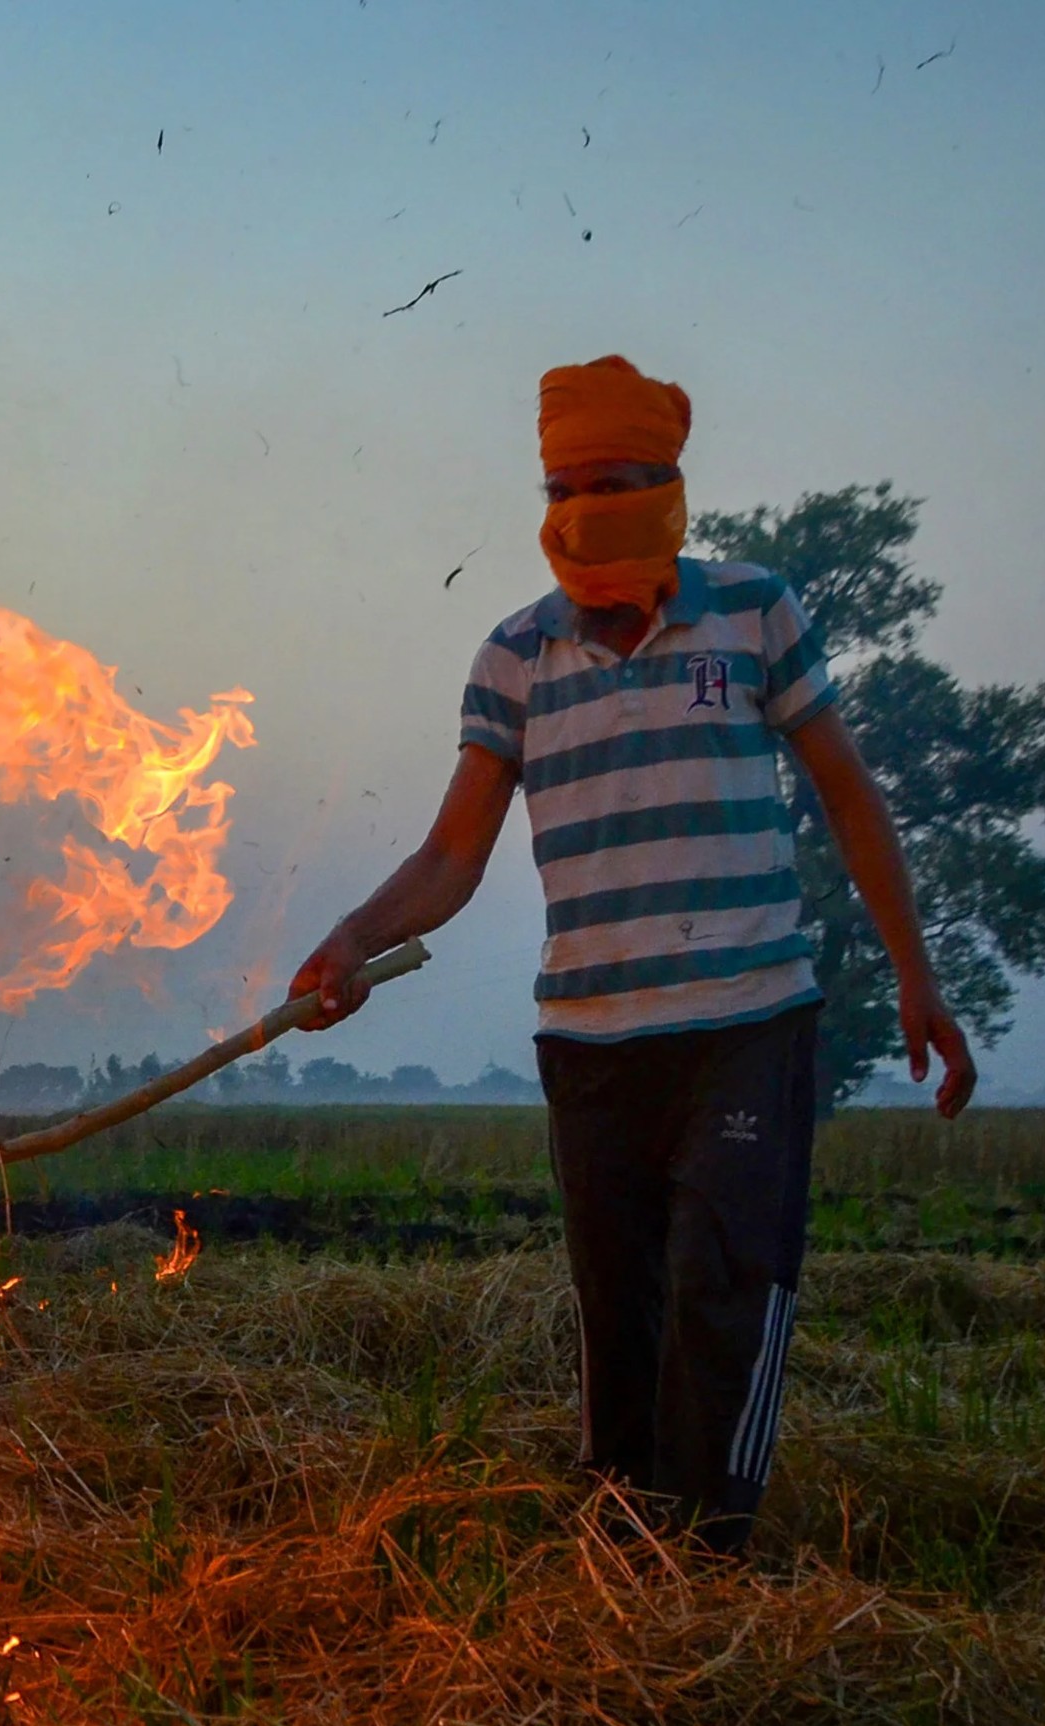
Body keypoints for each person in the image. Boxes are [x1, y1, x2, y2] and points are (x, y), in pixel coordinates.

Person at [289, 355, 976, 1553]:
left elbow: (846, 793)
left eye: (610, 483)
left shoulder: (750, 610)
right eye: (564, 488)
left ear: (664, 491)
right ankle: (621, 1548)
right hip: (590, 1040)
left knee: (723, 1285)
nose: (583, 509)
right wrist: (351, 938)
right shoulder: (514, 656)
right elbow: (451, 855)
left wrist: (914, 972)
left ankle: (705, 1556)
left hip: (744, 1022)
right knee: (619, 1308)